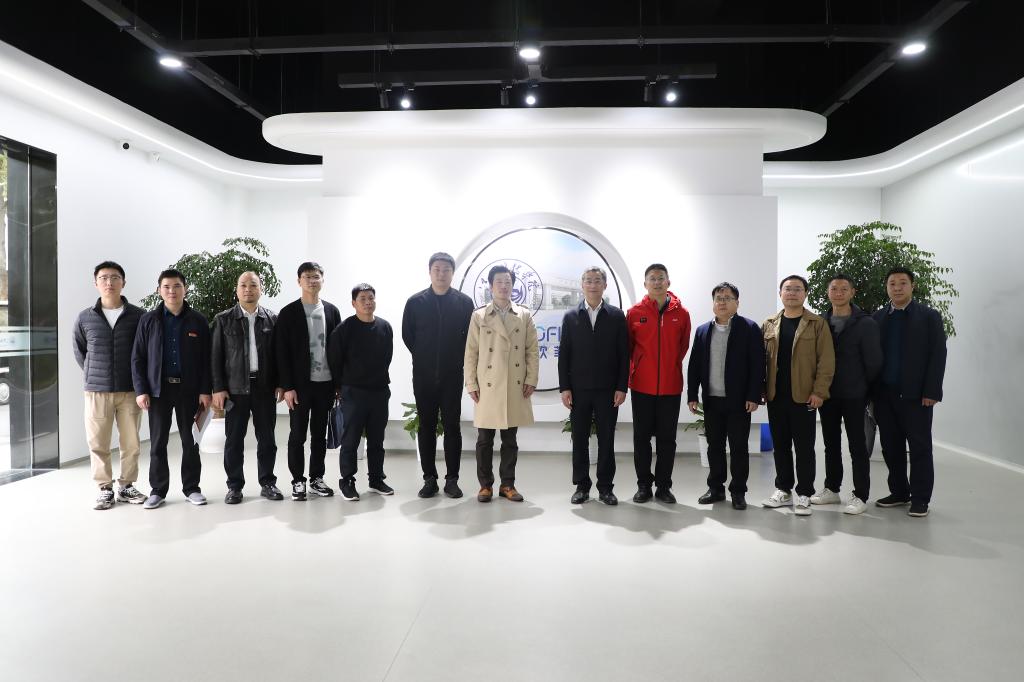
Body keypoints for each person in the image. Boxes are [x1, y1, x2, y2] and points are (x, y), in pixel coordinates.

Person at [131, 269, 212, 509]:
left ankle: (192, 488)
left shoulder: (198, 320)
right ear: (159, 290)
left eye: (177, 286)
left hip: (189, 391)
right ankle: (158, 490)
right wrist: (141, 390)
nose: (172, 291)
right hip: (159, 392)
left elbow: (207, 359)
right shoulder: (148, 320)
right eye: (166, 287)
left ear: (185, 289)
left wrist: (205, 390)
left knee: (190, 441)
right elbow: (137, 358)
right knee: (158, 443)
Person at [872, 267, 947, 518]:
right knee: (890, 447)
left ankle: (920, 498)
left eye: (903, 283)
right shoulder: (878, 317)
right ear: (886, 287)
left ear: (912, 286)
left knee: (919, 447)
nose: (897, 288)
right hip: (884, 395)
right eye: (892, 283)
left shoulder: (929, 316)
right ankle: (899, 492)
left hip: (917, 396)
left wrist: (932, 390)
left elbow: (938, 354)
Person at [73, 261, 146, 510]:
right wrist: (95, 373)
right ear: (96, 283)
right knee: (98, 443)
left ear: (123, 282)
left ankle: (126, 486)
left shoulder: (138, 316)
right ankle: (104, 488)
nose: (109, 282)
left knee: (131, 443)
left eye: (115, 277)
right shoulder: (85, 317)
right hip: (97, 391)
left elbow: (144, 351)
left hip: (130, 390)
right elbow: (81, 351)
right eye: (103, 278)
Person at [402, 252, 474, 499]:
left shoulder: (464, 303)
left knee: (453, 426)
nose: (441, 274)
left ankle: (452, 479)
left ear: (452, 273)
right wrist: (424, 356)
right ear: (430, 271)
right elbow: (408, 335)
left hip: (452, 375)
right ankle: (429, 479)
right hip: (423, 376)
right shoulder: (415, 302)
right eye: (437, 269)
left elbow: (470, 338)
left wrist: (454, 359)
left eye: (446, 270)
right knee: (427, 426)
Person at [464, 265, 539, 503]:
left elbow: (532, 350)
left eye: (508, 282)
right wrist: (471, 383)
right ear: (490, 286)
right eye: (499, 282)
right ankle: (485, 485)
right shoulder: (479, 316)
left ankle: (508, 484)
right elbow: (471, 352)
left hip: (513, 384)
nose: (504, 286)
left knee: (510, 440)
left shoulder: (524, 315)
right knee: (484, 440)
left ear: (513, 285)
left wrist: (531, 379)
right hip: (487, 384)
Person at [761, 275, 835, 516]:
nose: (792, 293)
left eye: (797, 289)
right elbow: (761, 360)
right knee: (780, 446)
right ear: (780, 293)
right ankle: (783, 490)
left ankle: (804, 493)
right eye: (787, 289)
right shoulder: (769, 324)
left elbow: (826, 361)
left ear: (805, 293)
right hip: (776, 396)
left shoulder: (817, 324)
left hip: (804, 397)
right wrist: (760, 389)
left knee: (804, 447)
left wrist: (819, 392)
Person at [686, 282, 764, 510]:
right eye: (718, 298)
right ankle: (716, 488)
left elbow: (757, 365)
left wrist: (753, 395)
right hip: (712, 400)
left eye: (727, 298)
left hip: (739, 400)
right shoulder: (703, 330)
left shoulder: (749, 328)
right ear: (713, 303)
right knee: (714, 446)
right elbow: (694, 365)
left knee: (738, 447)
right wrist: (692, 394)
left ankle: (738, 491)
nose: (722, 302)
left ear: (737, 303)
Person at [810, 274, 882, 515]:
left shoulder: (866, 323)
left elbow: (873, 362)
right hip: (827, 395)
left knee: (857, 446)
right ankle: (832, 489)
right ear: (828, 292)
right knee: (830, 444)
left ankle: (860, 495)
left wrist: (866, 392)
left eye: (843, 289)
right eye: (834, 289)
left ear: (852, 292)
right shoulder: (820, 322)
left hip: (855, 395)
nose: (838, 293)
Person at [210, 271, 284, 504]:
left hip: (264, 387)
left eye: (253, 285)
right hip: (234, 390)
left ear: (261, 289)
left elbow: (279, 356)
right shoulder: (223, 319)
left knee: (267, 439)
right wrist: (218, 388)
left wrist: (281, 383)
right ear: (237, 289)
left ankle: (268, 483)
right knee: (234, 440)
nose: (248, 289)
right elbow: (215, 357)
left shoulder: (272, 319)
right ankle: (234, 486)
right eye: (243, 285)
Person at [558, 266, 629, 505]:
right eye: (588, 280)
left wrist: (622, 386)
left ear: (604, 285)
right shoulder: (571, 316)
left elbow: (624, 355)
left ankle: (606, 488)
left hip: (608, 390)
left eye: (597, 280)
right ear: (582, 285)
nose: (592, 285)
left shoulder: (616, 316)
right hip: (578, 390)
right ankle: (581, 486)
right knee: (579, 438)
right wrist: (565, 387)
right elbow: (564, 355)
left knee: (606, 440)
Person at [274, 262, 341, 501]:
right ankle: (297, 481)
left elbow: (338, 350)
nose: (312, 281)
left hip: (326, 384)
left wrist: (338, 384)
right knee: (297, 435)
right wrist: (287, 386)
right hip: (299, 386)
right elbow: (281, 352)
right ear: (299, 281)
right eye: (307, 277)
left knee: (319, 435)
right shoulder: (289, 313)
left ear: (322, 280)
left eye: (316, 277)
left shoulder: (332, 311)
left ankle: (316, 478)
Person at [626, 263, 691, 504]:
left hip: (670, 386)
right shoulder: (634, 313)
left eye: (660, 278)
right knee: (641, 438)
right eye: (652, 278)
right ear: (645, 284)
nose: (656, 282)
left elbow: (682, 347)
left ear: (668, 282)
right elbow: (629, 348)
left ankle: (664, 486)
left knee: (667, 440)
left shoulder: (681, 314)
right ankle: (643, 485)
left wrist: (669, 367)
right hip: (641, 386)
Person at [327, 283, 394, 501]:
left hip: (379, 391)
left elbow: (387, 356)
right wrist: (339, 388)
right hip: (353, 392)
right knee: (351, 439)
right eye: (362, 299)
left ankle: (376, 479)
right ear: (353, 303)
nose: (367, 302)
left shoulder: (385, 327)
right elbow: (335, 360)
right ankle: (347, 480)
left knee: (377, 439)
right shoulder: (344, 329)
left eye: (371, 298)